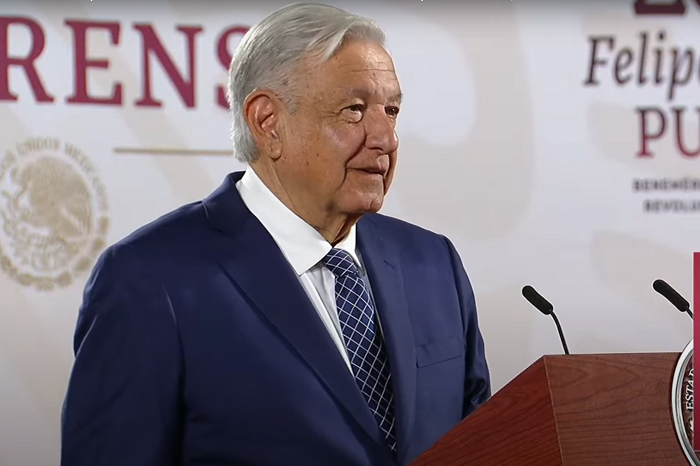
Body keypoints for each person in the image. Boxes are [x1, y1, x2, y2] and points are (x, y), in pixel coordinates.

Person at [59, 3, 491, 466]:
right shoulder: (149, 281)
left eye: (391, 110)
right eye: (354, 110)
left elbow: (488, 441)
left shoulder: (433, 263)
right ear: (268, 122)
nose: (386, 138)